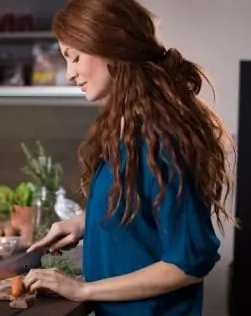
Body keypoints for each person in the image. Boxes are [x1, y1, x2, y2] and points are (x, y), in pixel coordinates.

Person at [23, 0, 236, 315]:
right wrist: (86, 222)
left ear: (110, 47)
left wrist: (82, 289)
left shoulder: (160, 138)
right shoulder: (125, 124)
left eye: (75, 57)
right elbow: (143, 206)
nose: (69, 74)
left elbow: (190, 262)